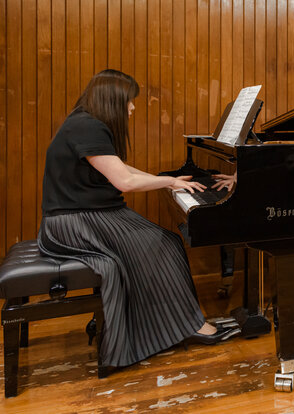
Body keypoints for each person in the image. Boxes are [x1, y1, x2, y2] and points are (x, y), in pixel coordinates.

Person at [38, 69, 231, 370]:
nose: (132, 107)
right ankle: (184, 326)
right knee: (164, 245)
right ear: (113, 99)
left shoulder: (84, 122)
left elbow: (121, 168)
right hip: (75, 224)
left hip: (84, 216)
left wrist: (164, 179)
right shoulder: (88, 127)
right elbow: (125, 182)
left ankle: (171, 323)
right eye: (129, 100)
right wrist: (168, 182)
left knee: (164, 243)